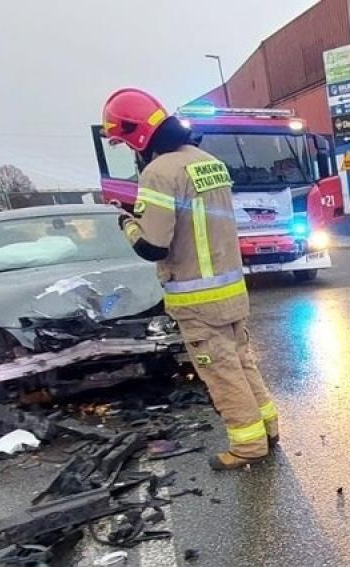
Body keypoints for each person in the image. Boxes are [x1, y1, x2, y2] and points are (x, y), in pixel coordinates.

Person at [102, 87, 278, 471]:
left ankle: (248, 447)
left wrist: (126, 222)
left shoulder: (159, 172)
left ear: (136, 136)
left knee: (222, 373)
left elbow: (153, 246)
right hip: (230, 290)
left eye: (123, 141)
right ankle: (269, 427)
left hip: (197, 299)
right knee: (243, 362)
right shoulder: (207, 161)